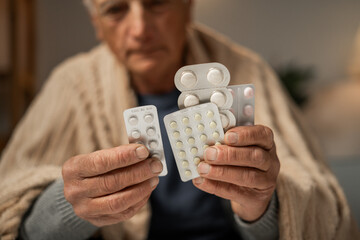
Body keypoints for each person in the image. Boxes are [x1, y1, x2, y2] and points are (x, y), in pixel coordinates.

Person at [0, 0, 358, 239]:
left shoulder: (248, 69)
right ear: (97, 25)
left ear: (188, 7)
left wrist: (262, 206)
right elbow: (12, 215)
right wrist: (68, 206)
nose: (140, 29)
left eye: (156, 2)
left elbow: (317, 208)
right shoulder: (71, 84)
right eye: (116, 9)